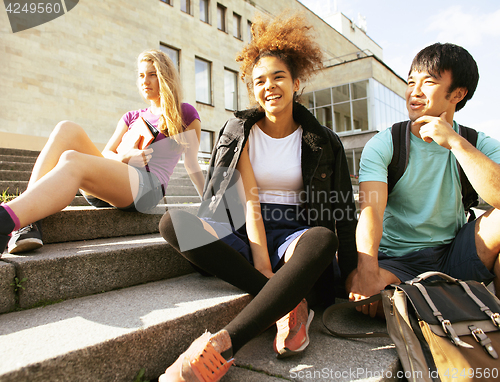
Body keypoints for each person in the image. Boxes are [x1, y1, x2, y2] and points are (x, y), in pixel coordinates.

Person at [158, 12, 357, 381]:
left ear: (297, 82)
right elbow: (240, 202)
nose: (269, 86)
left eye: (278, 77)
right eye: (259, 80)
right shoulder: (239, 129)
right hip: (246, 229)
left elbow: (343, 214)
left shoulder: (324, 141)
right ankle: (285, 300)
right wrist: (263, 267)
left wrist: (353, 275)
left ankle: (223, 345)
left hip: (295, 233)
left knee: (322, 240)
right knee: (174, 222)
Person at [0, 49, 204, 256]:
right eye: (141, 75)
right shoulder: (132, 116)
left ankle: (7, 219)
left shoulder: (185, 113)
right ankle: (27, 222)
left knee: (71, 159)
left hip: (147, 188)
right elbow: (106, 152)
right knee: (66, 128)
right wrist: (124, 158)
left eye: (152, 74)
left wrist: (210, 202)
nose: (145, 81)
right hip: (111, 181)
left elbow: (192, 164)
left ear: (165, 77)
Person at [348, 42, 500, 318]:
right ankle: (446, 299)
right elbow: (370, 211)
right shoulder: (385, 144)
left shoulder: (476, 143)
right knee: (362, 296)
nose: (414, 92)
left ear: (458, 93)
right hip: (397, 261)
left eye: (428, 82)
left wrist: (455, 142)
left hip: (455, 252)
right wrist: (367, 272)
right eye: (410, 82)